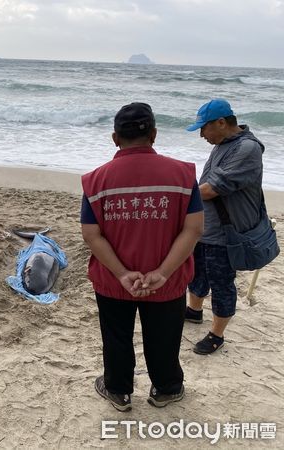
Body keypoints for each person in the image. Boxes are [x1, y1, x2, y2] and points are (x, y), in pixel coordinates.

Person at [80, 103, 204, 411]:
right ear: (154, 134)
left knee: (117, 335)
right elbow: (193, 229)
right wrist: (162, 272)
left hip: (113, 279)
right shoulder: (183, 174)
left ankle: (119, 391)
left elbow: (91, 234)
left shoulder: (96, 180)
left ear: (114, 138)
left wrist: (122, 274)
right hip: (167, 279)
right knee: (164, 336)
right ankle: (167, 388)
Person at [184, 99, 266, 355]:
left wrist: (178, 197)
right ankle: (194, 311)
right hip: (206, 228)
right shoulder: (222, 144)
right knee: (197, 273)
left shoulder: (247, 149)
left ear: (221, 123)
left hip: (226, 233)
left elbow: (212, 189)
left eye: (203, 128)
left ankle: (216, 335)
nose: (201, 135)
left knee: (221, 282)